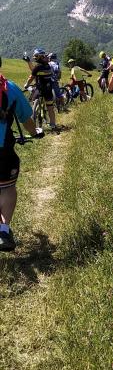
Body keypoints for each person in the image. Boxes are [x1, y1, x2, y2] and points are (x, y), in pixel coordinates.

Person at [0, 56, 44, 251]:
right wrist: (35, 133)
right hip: (3, 149)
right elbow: (26, 117)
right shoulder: (9, 88)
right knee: (7, 187)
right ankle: (3, 230)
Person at [23, 48, 58, 130]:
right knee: (50, 108)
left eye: (35, 56)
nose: (34, 58)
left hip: (40, 89)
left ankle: (34, 115)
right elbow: (35, 71)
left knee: (33, 99)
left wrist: (26, 85)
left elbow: (32, 76)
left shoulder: (38, 67)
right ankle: (53, 124)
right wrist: (29, 62)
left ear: (39, 57)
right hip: (49, 89)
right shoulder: (47, 66)